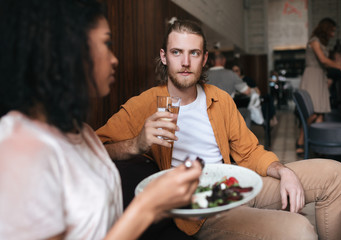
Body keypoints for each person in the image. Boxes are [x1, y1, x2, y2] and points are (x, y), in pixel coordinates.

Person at [96, 19, 341, 240]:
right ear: (164, 56)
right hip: (204, 209)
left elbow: (249, 151)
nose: (185, 62)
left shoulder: (219, 98)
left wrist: (283, 171)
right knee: (299, 230)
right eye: (177, 52)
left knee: (335, 174)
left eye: (194, 53)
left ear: (205, 59)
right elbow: (94, 148)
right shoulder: (145, 104)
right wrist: (136, 144)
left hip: (238, 183)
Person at [0, 1, 202, 239]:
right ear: (68, 49)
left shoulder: (81, 131)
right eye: (107, 44)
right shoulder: (21, 149)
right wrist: (146, 209)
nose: (114, 59)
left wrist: (137, 145)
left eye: (194, 53)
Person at [296, 18, 341, 154]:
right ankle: (301, 140)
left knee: (320, 113)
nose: (333, 34)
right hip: (312, 76)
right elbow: (323, 60)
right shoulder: (314, 41)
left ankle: (317, 145)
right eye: (332, 31)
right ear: (326, 29)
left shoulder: (323, 44)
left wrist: (340, 65)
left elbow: (327, 62)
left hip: (320, 77)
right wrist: (339, 67)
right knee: (311, 113)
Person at [207, 51, 264, 125]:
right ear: (224, 60)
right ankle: (243, 136)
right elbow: (247, 91)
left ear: (211, 61)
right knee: (247, 113)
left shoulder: (204, 75)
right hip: (227, 113)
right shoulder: (231, 74)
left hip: (208, 113)